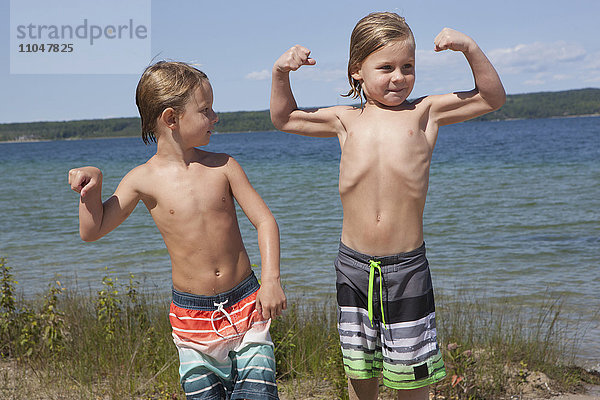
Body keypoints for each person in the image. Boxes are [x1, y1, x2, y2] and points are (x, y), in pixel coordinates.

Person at [270, 11, 505, 400]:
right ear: (356, 71)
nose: (399, 77)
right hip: (353, 265)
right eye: (386, 67)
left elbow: (491, 98)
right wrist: (281, 72)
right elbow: (283, 118)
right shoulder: (345, 120)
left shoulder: (426, 113)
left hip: (406, 267)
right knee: (360, 372)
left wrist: (470, 48)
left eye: (407, 66)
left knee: (412, 378)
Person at [69, 61, 286, 400]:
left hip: (247, 304)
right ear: (171, 118)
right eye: (206, 110)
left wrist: (271, 280)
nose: (215, 117)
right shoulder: (142, 179)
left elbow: (265, 221)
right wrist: (93, 186)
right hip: (191, 316)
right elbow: (92, 229)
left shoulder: (224, 165)